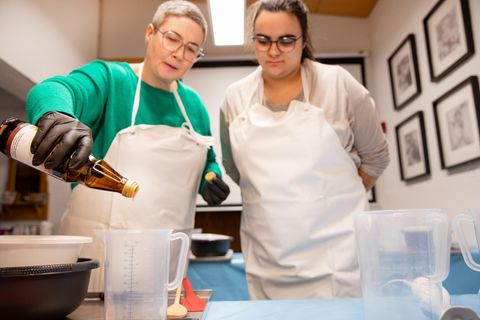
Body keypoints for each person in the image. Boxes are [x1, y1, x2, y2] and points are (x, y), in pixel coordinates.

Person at [25, 0, 230, 292]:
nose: (179, 54)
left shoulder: (193, 105)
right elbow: (54, 89)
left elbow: (207, 159)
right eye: (172, 39)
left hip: (166, 264)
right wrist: (54, 114)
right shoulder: (112, 80)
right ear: (150, 33)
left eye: (191, 49)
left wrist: (210, 178)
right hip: (100, 259)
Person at [219, 0, 389, 300]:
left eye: (286, 41)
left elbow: (376, 158)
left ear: (304, 37)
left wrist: (333, 198)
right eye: (263, 40)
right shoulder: (235, 98)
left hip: (338, 259)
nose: (273, 51)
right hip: (267, 261)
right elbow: (234, 169)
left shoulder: (338, 84)